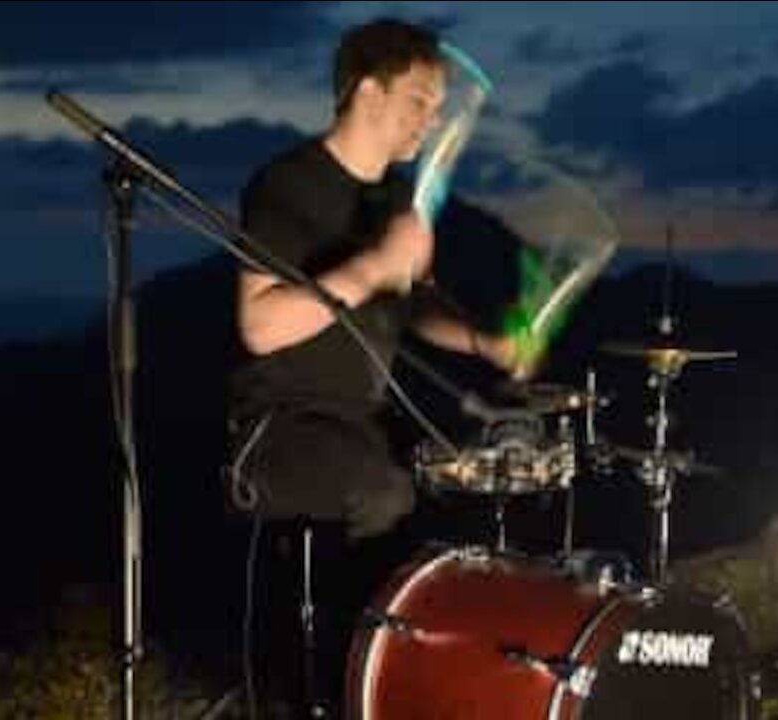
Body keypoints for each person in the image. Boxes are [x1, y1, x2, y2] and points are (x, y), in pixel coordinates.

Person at [224, 17, 525, 718]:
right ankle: (342, 690)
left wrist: (484, 343)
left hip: (362, 422)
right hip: (281, 427)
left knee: (472, 484)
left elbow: (407, 309)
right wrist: (373, 265)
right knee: (385, 493)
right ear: (367, 91)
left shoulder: (392, 201)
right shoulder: (286, 185)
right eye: (420, 99)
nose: (432, 118)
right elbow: (261, 325)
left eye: (437, 105)